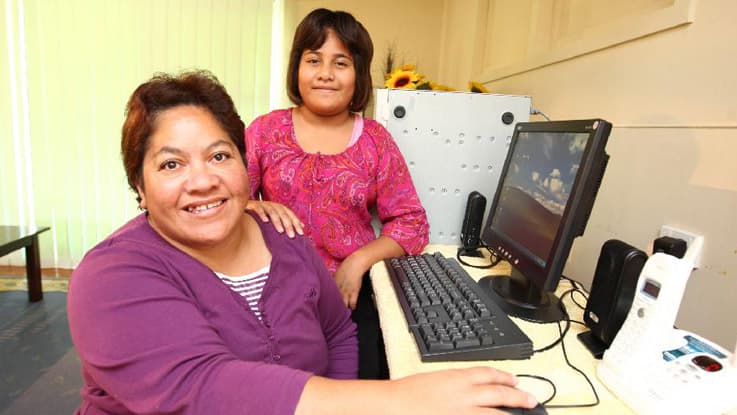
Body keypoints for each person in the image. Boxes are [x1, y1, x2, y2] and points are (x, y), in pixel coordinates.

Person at [67, 70, 539, 414]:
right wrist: (395, 398)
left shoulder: (286, 237)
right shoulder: (112, 276)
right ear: (139, 185)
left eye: (219, 155)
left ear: (243, 163)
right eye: (171, 164)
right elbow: (203, 387)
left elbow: (337, 331)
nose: (202, 180)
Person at [245, 8, 429, 379]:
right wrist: (255, 208)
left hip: (349, 297)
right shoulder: (264, 131)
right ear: (298, 67)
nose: (326, 73)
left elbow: (411, 223)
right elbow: (228, 206)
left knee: (362, 390)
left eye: (340, 62)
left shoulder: (376, 140)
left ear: (358, 74)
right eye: (314, 60)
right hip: (272, 296)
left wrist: (357, 262)